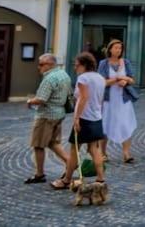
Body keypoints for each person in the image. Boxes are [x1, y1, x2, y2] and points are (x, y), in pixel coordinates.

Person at [51, 52, 106, 190]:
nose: (75, 68)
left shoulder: (83, 78)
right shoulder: (100, 78)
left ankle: (66, 180)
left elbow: (83, 98)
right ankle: (100, 179)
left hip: (84, 118)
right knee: (94, 148)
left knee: (74, 149)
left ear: (84, 65)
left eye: (77, 65)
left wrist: (76, 118)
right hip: (96, 117)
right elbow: (100, 99)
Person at [25, 53, 71, 184]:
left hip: (46, 116)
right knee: (53, 142)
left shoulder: (49, 79)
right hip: (59, 114)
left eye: (41, 64)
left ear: (50, 64)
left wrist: (29, 101)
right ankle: (70, 162)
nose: (38, 67)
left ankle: (40, 174)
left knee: (38, 145)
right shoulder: (64, 75)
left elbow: (41, 99)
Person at [98, 39, 138, 163]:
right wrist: (116, 80)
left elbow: (132, 80)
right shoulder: (104, 63)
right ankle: (103, 153)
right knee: (105, 125)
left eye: (120, 48)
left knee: (126, 124)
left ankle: (126, 153)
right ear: (110, 49)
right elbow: (101, 81)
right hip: (108, 100)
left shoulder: (126, 62)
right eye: (116, 48)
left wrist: (125, 81)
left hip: (123, 99)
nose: (118, 50)